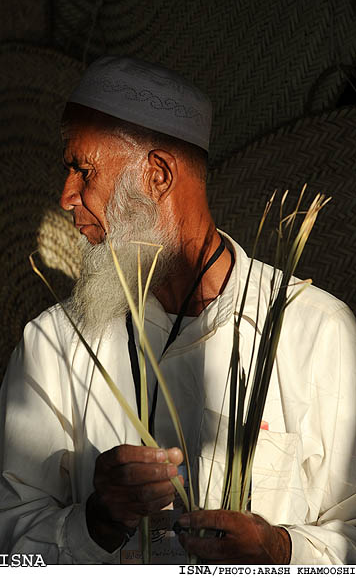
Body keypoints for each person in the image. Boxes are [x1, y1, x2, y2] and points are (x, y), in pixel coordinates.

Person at [0, 56, 356, 565]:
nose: (65, 196)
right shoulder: (53, 346)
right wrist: (95, 521)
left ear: (159, 175)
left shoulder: (317, 334)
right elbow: (8, 550)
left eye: (83, 169)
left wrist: (282, 550)